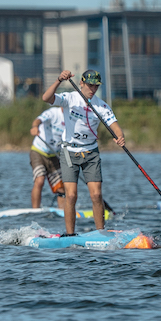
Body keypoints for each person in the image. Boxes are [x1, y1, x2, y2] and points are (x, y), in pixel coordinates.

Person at [41, 69, 125, 234]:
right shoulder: (70, 98)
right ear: (81, 83)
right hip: (69, 152)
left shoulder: (101, 106)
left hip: (91, 153)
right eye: (89, 85)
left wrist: (120, 137)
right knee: (71, 196)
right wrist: (59, 80)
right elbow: (46, 98)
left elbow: (115, 126)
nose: (92, 89)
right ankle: (70, 234)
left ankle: (101, 233)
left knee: (96, 195)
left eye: (96, 86)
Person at [30, 106, 66, 209]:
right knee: (40, 180)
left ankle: (63, 212)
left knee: (61, 188)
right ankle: (35, 210)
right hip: (38, 151)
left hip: (54, 155)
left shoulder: (72, 118)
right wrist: (35, 127)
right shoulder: (53, 113)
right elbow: (38, 120)